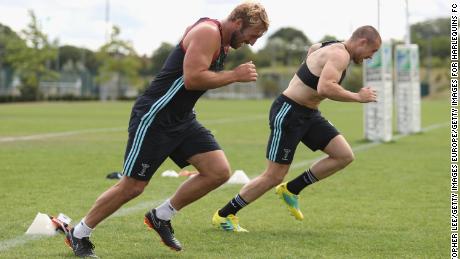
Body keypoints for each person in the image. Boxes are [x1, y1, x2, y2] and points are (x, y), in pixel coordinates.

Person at [64, 3, 269, 257]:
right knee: (132, 187)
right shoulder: (208, 32)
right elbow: (192, 78)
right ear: (238, 23)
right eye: (254, 34)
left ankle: (161, 216)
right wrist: (234, 75)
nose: (253, 42)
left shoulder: (222, 41)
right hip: (156, 117)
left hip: (182, 120)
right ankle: (79, 233)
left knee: (218, 171)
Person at [212, 26, 381, 232]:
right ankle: (225, 214)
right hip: (289, 112)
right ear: (362, 42)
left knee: (343, 155)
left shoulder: (327, 45)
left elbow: (313, 50)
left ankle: (291, 189)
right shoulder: (339, 55)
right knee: (273, 176)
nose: (370, 57)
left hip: (309, 114)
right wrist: (357, 97)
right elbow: (325, 87)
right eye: (372, 52)